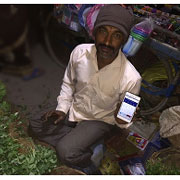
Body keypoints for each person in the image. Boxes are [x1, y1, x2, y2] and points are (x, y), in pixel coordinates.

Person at [29, 5, 142, 174]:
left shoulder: (132, 78)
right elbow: (68, 84)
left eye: (116, 35)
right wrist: (61, 110)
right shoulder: (79, 53)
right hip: (76, 108)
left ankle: (89, 166)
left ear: (124, 41)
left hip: (100, 120)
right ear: (94, 32)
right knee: (35, 124)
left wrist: (121, 117)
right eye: (103, 31)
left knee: (65, 151)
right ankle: (81, 142)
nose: (107, 41)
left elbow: (123, 122)